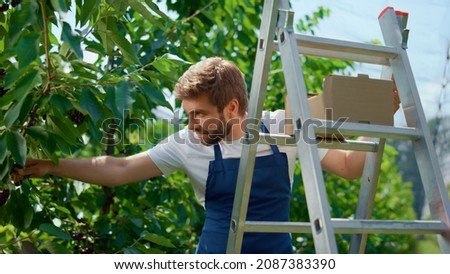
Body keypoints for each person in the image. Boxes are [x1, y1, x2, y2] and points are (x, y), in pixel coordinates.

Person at [19, 57, 393, 253]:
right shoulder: (186, 143)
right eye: (187, 115)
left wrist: (381, 119)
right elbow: (118, 168)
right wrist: (53, 166)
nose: (192, 123)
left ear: (231, 107)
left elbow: (348, 167)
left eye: (199, 113)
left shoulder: (283, 127)